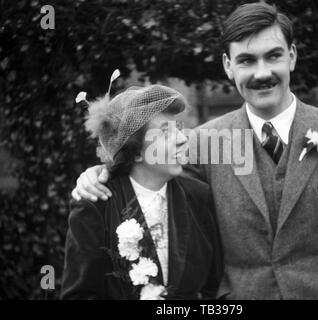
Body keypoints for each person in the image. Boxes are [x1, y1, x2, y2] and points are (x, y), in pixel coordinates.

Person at [71, 3, 318, 299]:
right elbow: (149, 178)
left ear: (292, 56)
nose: (262, 73)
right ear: (228, 66)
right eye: (246, 60)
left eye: (273, 55)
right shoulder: (200, 142)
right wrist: (101, 173)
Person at [61, 79, 223, 299]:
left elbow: (213, 285)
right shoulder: (95, 205)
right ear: (135, 151)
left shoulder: (197, 194)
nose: (182, 139)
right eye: (165, 133)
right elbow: (79, 294)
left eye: (179, 129)